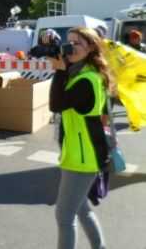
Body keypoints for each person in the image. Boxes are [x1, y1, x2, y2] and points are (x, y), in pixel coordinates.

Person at [48, 27, 111, 249]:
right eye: (69, 42)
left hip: (82, 159)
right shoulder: (83, 73)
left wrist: (59, 71)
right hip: (79, 154)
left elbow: (56, 105)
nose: (70, 47)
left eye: (78, 43)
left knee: (64, 216)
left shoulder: (86, 79)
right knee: (81, 209)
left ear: (91, 47)